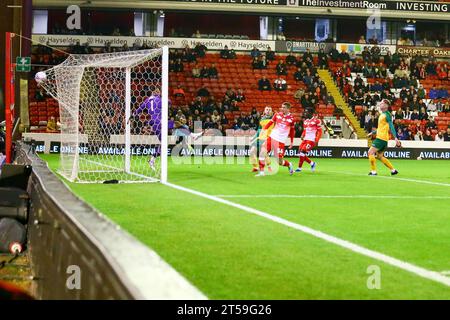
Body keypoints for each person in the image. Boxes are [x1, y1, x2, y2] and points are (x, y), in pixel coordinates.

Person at [256, 102, 295, 176]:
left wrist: (292, 141)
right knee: (262, 152)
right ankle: (261, 172)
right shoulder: (277, 114)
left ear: (288, 109)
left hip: (280, 141)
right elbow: (270, 123)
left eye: (284, 107)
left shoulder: (291, 119)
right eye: (282, 107)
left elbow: (292, 131)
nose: (282, 109)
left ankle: (289, 164)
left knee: (279, 162)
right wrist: (263, 130)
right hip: (272, 137)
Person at [366, 99, 401, 176]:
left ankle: (373, 171)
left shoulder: (387, 114)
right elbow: (381, 128)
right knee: (379, 156)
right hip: (384, 139)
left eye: (381, 103)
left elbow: (391, 126)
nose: (380, 104)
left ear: (386, 105)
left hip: (381, 139)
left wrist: (395, 137)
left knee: (370, 152)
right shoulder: (383, 115)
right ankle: (393, 170)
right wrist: (372, 133)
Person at [249, 106, 274, 173]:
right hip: (260, 137)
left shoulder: (274, 119)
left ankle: (269, 167)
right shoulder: (262, 119)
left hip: (268, 138)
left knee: (264, 153)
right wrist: (253, 137)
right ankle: (255, 167)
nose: (268, 111)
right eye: (267, 109)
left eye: (269, 109)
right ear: (264, 111)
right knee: (251, 152)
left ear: (271, 111)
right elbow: (259, 130)